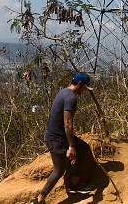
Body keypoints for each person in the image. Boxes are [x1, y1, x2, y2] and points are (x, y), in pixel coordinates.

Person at [32, 72, 94, 204]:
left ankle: (74, 182)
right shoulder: (71, 98)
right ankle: (39, 200)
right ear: (79, 84)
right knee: (59, 170)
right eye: (84, 87)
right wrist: (71, 146)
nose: (85, 90)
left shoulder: (64, 92)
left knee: (84, 148)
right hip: (56, 139)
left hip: (59, 136)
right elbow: (68, 123)